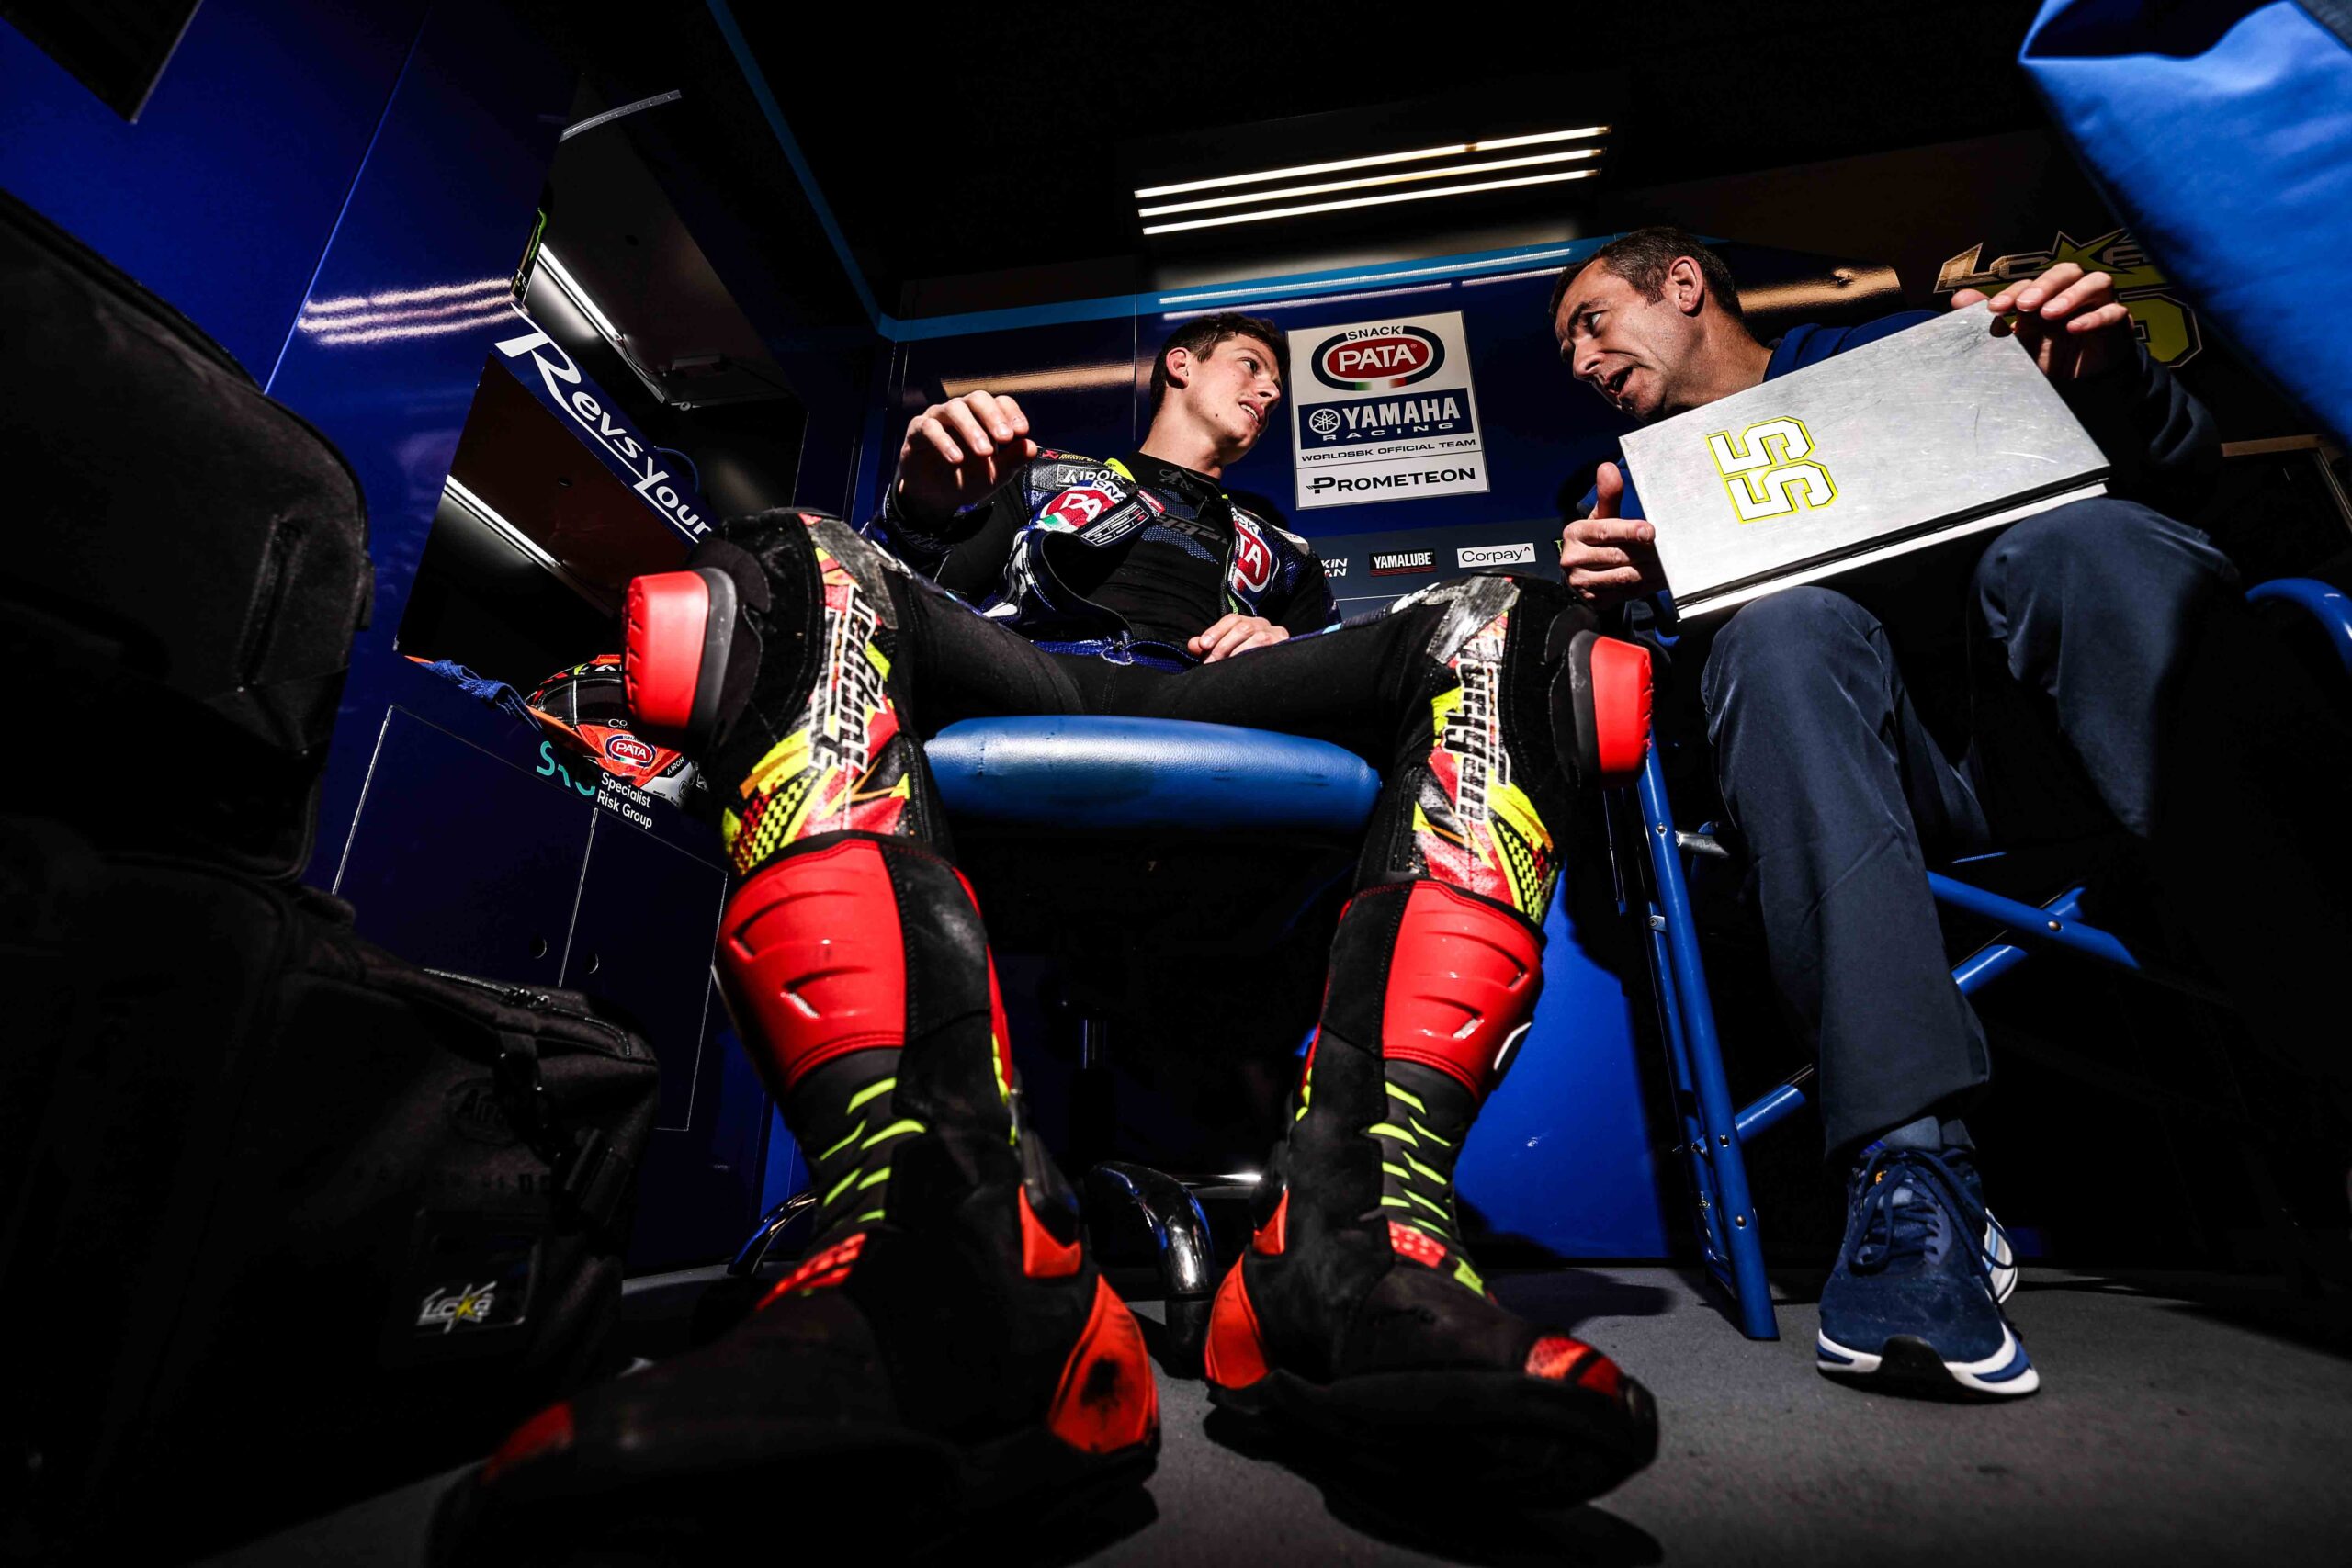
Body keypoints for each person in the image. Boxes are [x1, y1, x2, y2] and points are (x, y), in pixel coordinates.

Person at [446, 312, 1658, 1551]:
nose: (1268, 393)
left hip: (1221, 696)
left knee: (1513, 624)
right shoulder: (1043, 476)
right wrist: (923, 505)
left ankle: (1349, 1241)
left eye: (1280, 383)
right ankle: (941, 1235)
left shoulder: (1281, 548)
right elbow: (918, 578)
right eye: (1252, 366)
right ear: (1180, 363)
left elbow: (1341, 666)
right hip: (1037, 669)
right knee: (794, 565)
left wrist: (1290, 640)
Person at [1551, 225, 2352, 1399]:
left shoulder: (1911, 349)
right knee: (1780, 630)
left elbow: (2177, 479)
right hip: (1849, 789)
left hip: (2075, 724)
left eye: (1589, 322)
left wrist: (2110, 377)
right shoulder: (1628, 488)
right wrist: (1626, 608)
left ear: (1681, 287)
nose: (1579, 360)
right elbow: (1670, 718)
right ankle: (1908, 1168)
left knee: (2082, 542)